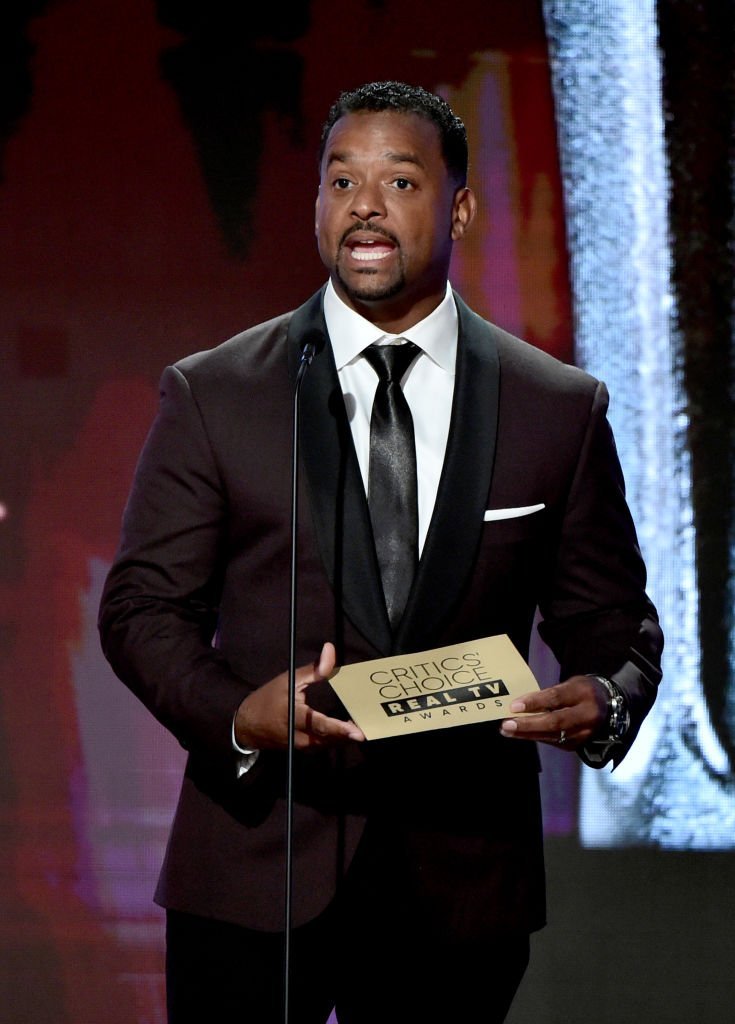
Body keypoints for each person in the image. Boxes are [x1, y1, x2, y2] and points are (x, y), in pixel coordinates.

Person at [99, 81, 663, 1023]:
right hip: (255, 868)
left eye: (399, 180)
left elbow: (612, 622)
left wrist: (604, 698)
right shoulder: (218, 394)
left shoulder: (555, 408)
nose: (363, 205)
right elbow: (142, 610)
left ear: (459, 207)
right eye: (341, 181)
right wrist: (238, 713)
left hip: (462, 881)